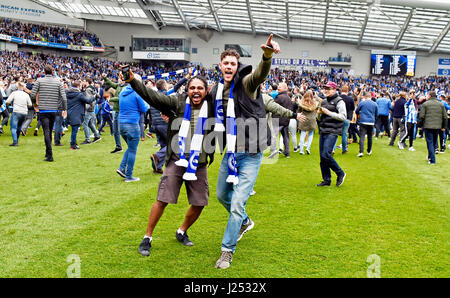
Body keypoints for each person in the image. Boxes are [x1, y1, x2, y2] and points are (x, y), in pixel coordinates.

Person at [124, 71, 215, 256]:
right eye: (192, 88)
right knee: (163, 198)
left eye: (200, 88)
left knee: (200, 202)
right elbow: (153, 96)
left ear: (206, 91)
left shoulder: (214, 106)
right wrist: (133, 80)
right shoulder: (177, 102)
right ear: (187, 90)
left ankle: (181, 231)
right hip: (177, 159)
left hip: (199, 162)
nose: (196, 91)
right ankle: (147, 237)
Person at [212, 34, 280, 269]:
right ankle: (245, 222)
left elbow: (260, 73)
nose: (229, 67)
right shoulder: (216, 90)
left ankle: (226, 251)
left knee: (236, 204)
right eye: (226, 63)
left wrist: (267, 55)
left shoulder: (246, 84)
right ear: (220, 66)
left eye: (233, 64)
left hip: (251, 154)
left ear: (236, 66)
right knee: (222, 196)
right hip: (230, 154)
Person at [28, 65, 67, 162]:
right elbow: (64, 97)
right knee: (49, 130)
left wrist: (35, 104)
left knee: (46, 131)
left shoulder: (39, 81)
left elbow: (33, 94)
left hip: (44, 109)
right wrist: (65, 109)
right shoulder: (58, 82)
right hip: (54, 110)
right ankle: (47, 152)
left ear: (44, 72)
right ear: (52, 72)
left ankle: (50, 155)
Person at [116, 75, 148, 182]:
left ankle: (121, 168)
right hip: (132, 125)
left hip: (121, 124)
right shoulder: (137, 93)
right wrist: (147, 105)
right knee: (133, 150)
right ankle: (129, 176)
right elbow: (143, 109)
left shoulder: (122, 92)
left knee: (130, 147)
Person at [316, 81, 347, 187]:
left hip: (333, 130)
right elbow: (320, 118)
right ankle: (326, 180)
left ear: (334, 90)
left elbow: (343, 116)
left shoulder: (339, 101)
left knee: (326, 154)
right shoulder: (324, 101)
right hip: (323, 129)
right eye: (325, 88)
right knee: (322, 157)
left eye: (329, 89)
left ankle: (340, 173)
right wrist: (319, 114)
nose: (326, 90)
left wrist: (328, 113)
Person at [418, 91, 447, 165]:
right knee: (434, 142)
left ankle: (432, 160)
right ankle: (430, 156)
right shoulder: (441, 104)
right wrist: (444, 126)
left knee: (430, 143)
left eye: (427, 95)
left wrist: (419, 125)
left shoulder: (425, 104)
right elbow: (445, 117)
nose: (426, 96)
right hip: (437, 126)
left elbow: (421, 116)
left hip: (428, 126)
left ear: (430, 96)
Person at [66, 80, 96, 150]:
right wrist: (93, 96)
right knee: (74, 131)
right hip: (76, 114)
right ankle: (73, 145)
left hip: (70, 113)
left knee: (74, 129)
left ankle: (74, 143)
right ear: (78, 86)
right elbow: (88, 101)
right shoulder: (79, 95)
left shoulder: (68, 93)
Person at [103, 73, 125, 153]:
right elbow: (111, 83)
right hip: (116, 110)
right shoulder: (119, 86)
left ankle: (130, 146)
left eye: (119, 78)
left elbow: (120, 98)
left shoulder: (125, 88)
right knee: (116, 130)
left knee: (120, 130)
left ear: (123, 80)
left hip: (121, 110)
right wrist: (105, 78)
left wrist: (110, 99)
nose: (118, 80)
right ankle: (118, 147)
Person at [273, 82, 295, 158]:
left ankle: (273, 152)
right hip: (286, 121)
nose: (278, 88)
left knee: (274, 137)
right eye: (278, 86)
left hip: (278, 120)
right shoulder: (288, 98)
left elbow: (274, 108)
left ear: (285, 88)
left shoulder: (279, 97)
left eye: (280, 87)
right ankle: (287, 153)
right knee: (286, 137)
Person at [355, 91, 378, 157]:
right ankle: (369, 151)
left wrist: (360, 114)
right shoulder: (375, 104)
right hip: (371, 122)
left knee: (362, 137)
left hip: (363, 121)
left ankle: (361, 151)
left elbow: (356, 111)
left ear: (365, 97)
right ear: (370, 97)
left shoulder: (362, 103)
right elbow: (377, 114)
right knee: (370, 137)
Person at [81, 78, 101, 145]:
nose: (82, 82)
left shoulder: (88, 89)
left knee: (85, 124)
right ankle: (97, 136)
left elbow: (89, 100)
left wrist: (86, 108)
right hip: (92, 108)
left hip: (88, 109)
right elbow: (98, 96)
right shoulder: (93, 88)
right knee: (90, 124)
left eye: (83, 81)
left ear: (87, 82)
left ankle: (88, 139)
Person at [298, 90, 318, 155]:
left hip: (304, 119)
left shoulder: (301, 103)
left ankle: (301, 150)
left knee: (302, 134)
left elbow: (299, 111)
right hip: (312, 119)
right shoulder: (314, 103)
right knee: (311, 134)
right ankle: (308, 148)